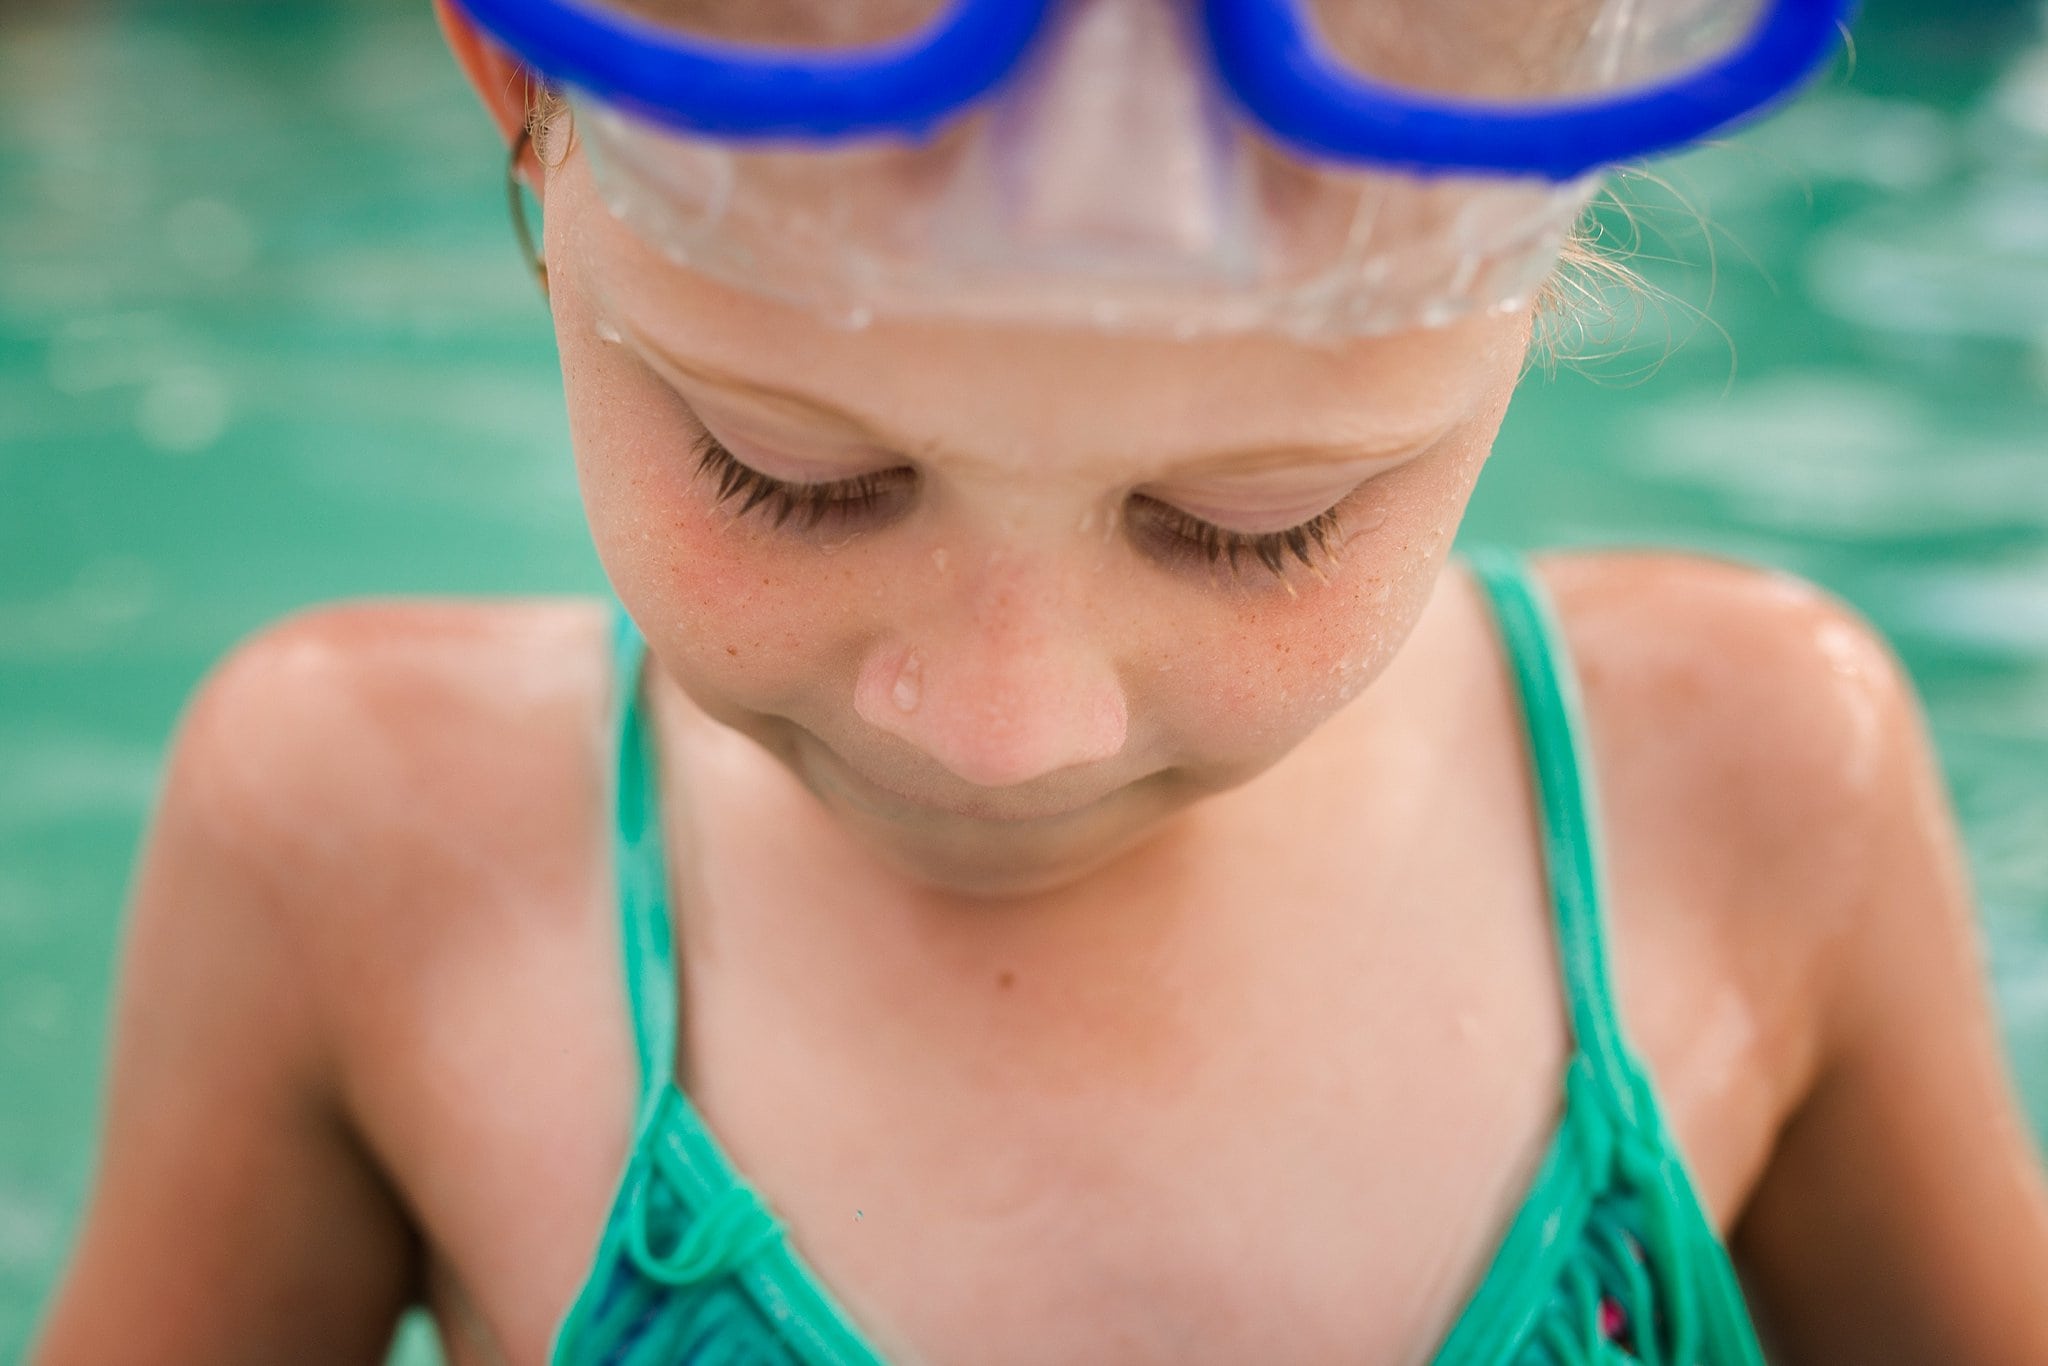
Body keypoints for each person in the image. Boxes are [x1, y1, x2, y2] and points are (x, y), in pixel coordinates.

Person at [33, 1, 2048, 1362]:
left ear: (1539, 269)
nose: (1002, 724)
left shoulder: (1758, 783)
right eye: (790, 472)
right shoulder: (360, 840)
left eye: (1261, 519)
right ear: (517, 96)